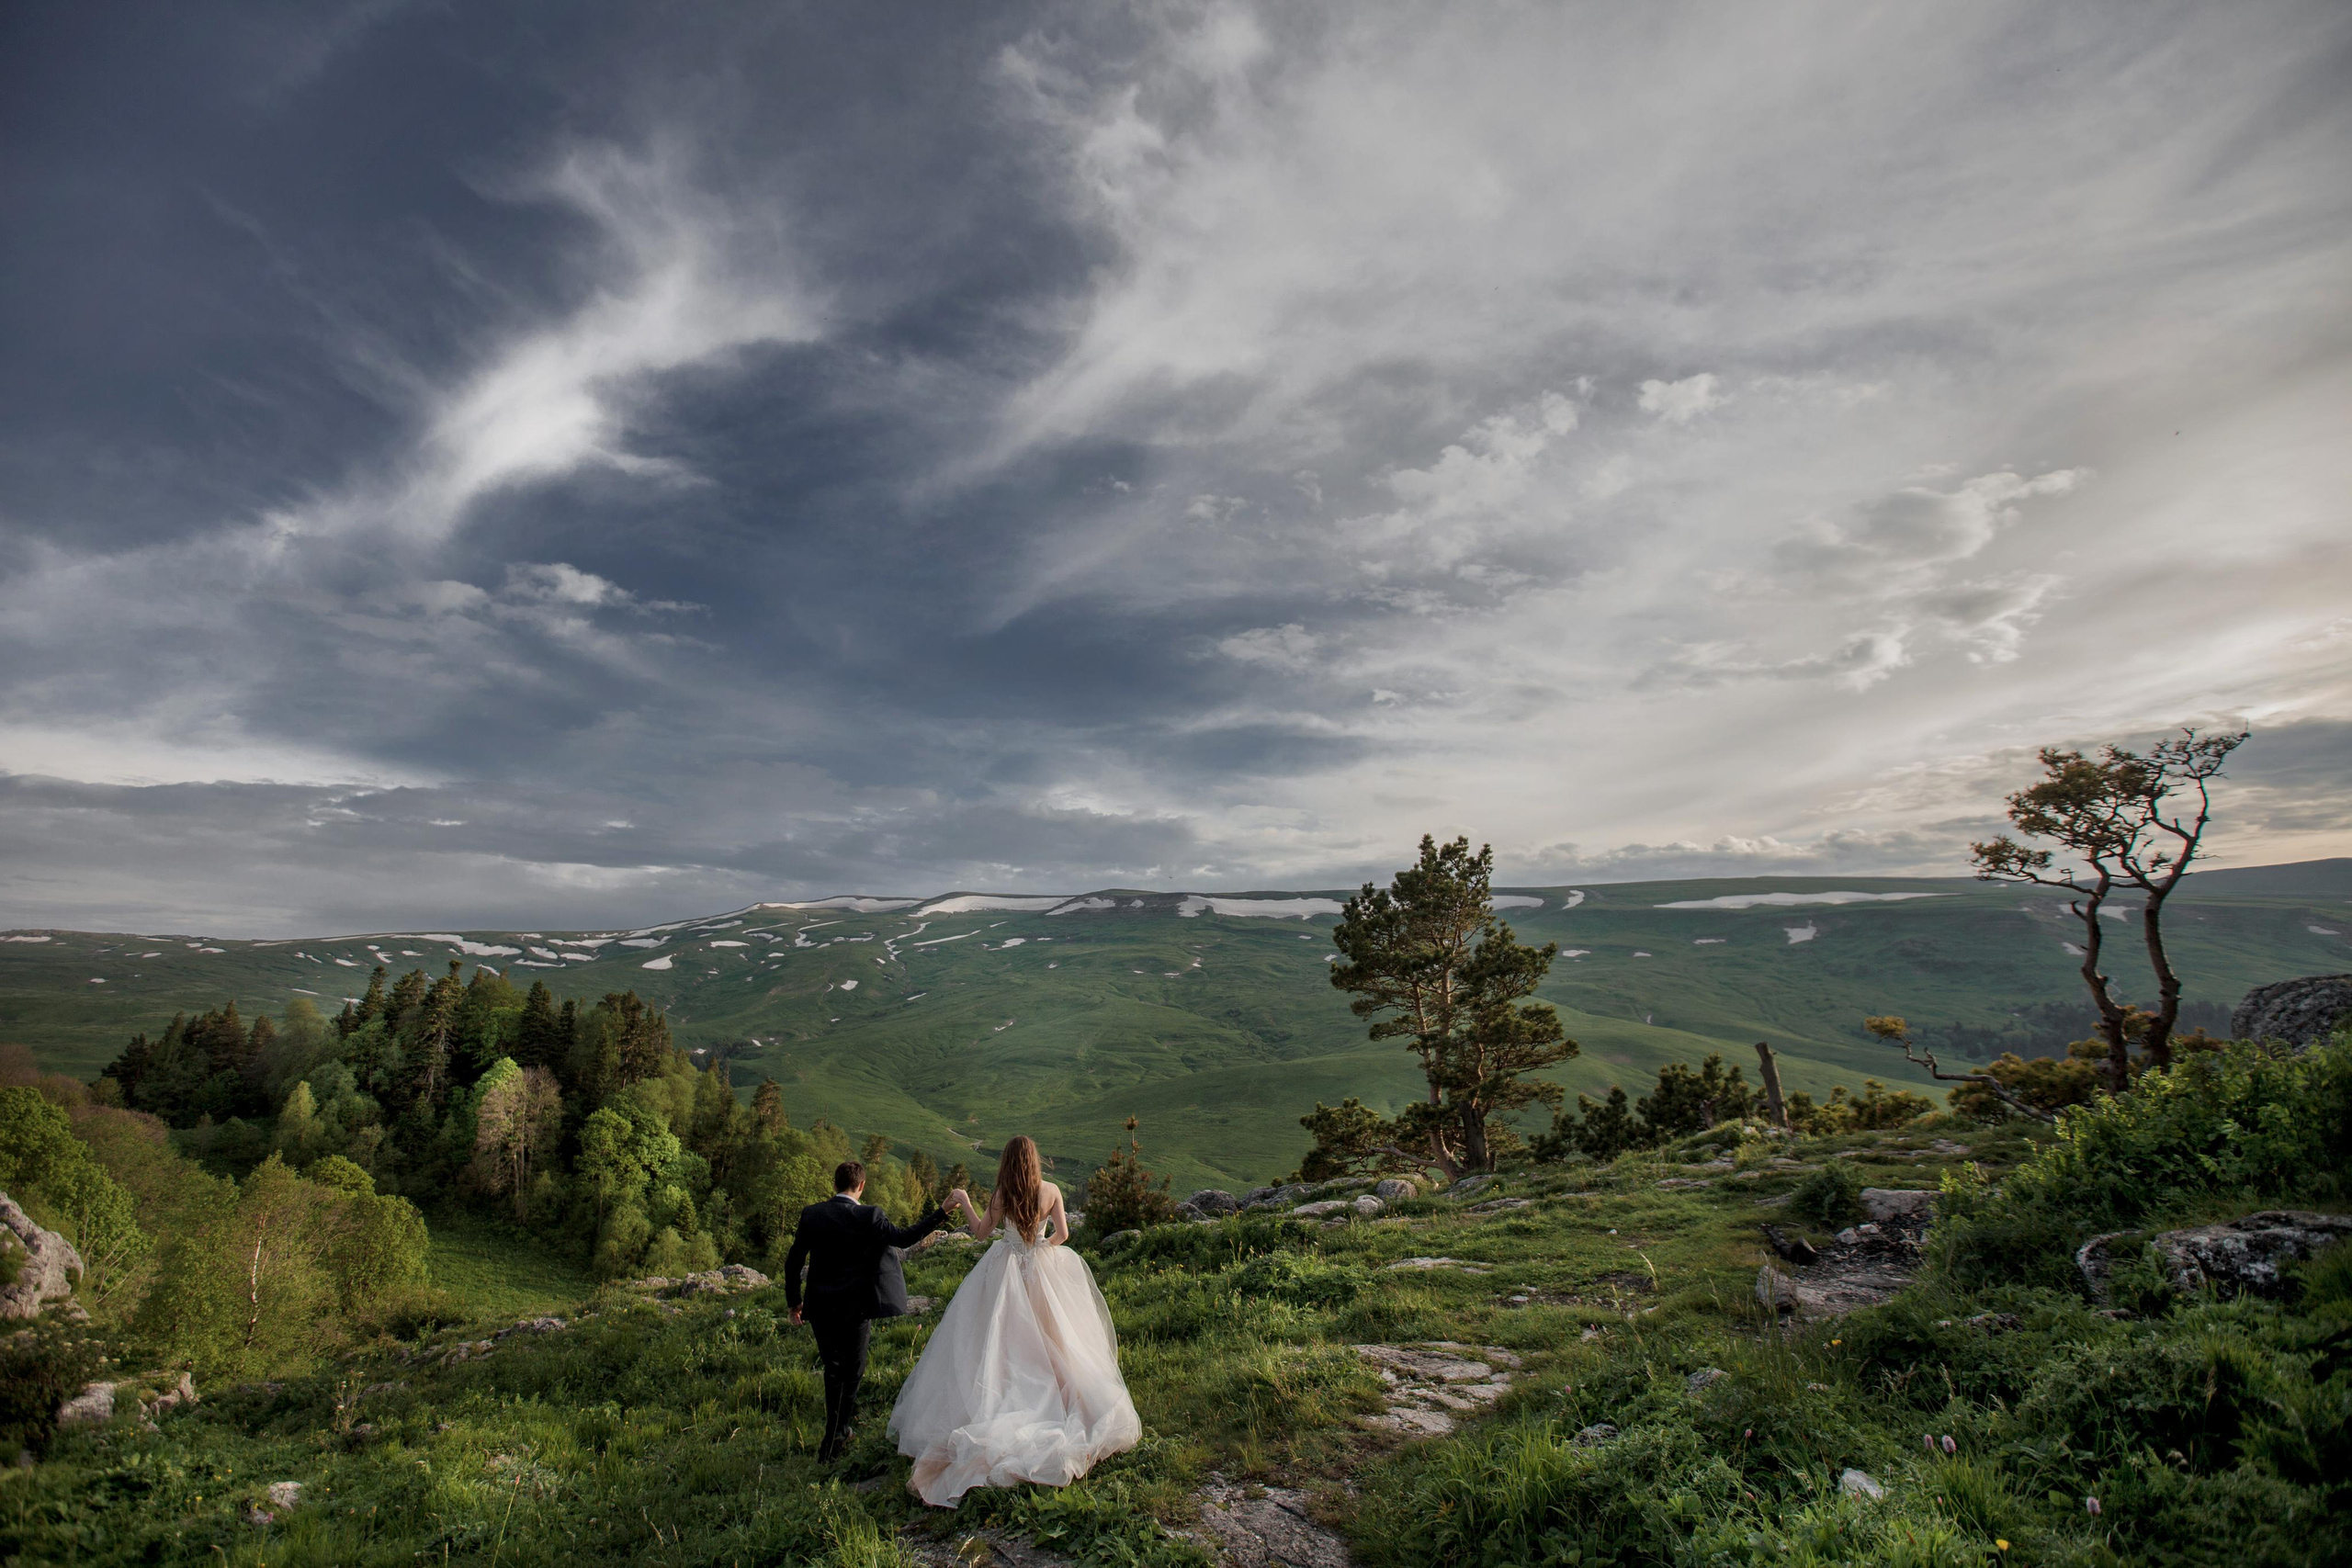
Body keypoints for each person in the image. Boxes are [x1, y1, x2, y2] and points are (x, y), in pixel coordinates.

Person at [888, 1134, 1142, 1506]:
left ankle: (1005, 1391)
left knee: (999, 1339)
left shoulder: (1001, 1196)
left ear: (1007, 1162)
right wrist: (1039, 1250)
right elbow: (1063, 1234)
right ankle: (1060, 1395)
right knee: (1056, 1337)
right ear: (1034, 1160)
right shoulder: (1051, 1191)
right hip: (1041, 1269)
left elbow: (980, 1233)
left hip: (1004, 1270)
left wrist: (964, 1201)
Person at [782, 1158, 957, 1461]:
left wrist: (794, 1301)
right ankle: (836, 1436)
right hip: (856, 1308)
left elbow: (794, 1260)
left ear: (835, 1184)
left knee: (833, 1369)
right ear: (861, 1185)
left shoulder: (812, 1214)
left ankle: (836, 1434)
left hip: (821, 1306)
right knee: (853, 1371)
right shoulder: (870, 1215)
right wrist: (942, 1212)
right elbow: (904, 1238)